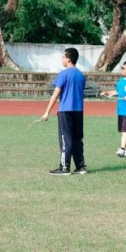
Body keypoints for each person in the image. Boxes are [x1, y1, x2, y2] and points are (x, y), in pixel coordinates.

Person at [41, 47, 86, 176]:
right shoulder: (81, 75)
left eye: (63, 57)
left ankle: (64, 167)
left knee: (65, 138)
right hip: (79, 110)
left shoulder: (63, 74)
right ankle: (80, 166)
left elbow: (55, 94)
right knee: (77, 138)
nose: (62, 59)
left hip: (65, 110)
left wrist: (47, 112)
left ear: (69, 59)